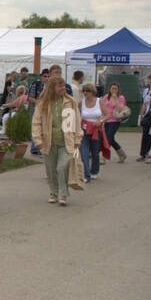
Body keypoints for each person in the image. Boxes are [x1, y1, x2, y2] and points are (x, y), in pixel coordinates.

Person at [32, 73, 80, 206]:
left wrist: (78, 139)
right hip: (49, 141)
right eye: (59, 86)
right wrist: (38, 140)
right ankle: (53, 192)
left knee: (61, 167)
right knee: (51, 169)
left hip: (66, 141)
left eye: (63, 86)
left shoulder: (70, 102)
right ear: (52, 88)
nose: (62, 88)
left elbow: (77, 121)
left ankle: (63, 194)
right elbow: (36, 122)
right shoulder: (43, 103)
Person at [78, 85, 105, 182]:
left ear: (93, 92)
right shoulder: (81, 103)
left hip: (96, 130)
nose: (85, 93)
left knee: (95, 152)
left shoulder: (99, 101)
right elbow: (77, 114)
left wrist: (101, 121)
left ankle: (94, 171)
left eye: (87, 91)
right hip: (84, 130)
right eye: (84, 91)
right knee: (84, 152)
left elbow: (107, 115)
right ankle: (86, 175)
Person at [101, 82, 128, 163]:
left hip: (115, 120)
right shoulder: (106, 97)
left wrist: (116, 99)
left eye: (116, 89)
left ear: (118, 90)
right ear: (110, 89)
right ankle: (122, 154)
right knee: (110, 139)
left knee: (108, 138)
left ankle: (104, 157)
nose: (114, 90)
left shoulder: (121, 98)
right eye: (112, 88)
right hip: (107, 119)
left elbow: (120, 109)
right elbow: (102, 106)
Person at [137, 73, 151, 162]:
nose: (149, 81)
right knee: (145, 134)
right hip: (148, 114)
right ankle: (143, 153)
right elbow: (144, 104)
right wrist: (141, 115)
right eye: (148, 80)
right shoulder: (146, 91)